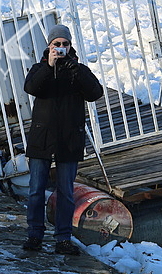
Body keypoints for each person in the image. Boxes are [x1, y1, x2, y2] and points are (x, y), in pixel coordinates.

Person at [21, 24, 103, 256]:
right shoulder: (39, 68)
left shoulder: (78, 69)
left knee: (66, 191)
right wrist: (49, 66)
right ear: (49, 46)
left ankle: (63, 238)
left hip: (69, 138)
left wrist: (77, 72)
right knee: (36, 189)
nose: (61, 48)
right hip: (43, 137)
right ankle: (34, 234)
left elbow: (95, 93)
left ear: (70, 45)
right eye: (56, 44)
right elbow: (31, 88)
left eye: (65, 44)